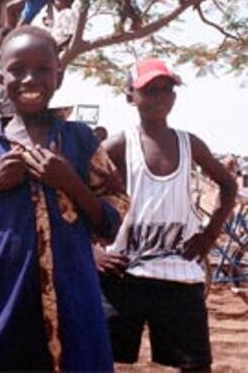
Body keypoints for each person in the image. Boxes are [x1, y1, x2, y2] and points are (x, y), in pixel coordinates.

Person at [0, 26, 129, 373]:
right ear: (1, 75)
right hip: (4, 301)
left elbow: (112, 214)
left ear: (59, 75)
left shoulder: (79, 139)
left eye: (42, 69)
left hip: (75, 301)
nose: (30, 78)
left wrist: (69, 181)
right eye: (18, 69)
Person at [96, 57, 237, 373]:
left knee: (196, 364)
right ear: (130, 95)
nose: (159, 97)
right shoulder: (119, 144)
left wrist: (209, 234)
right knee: (101, 360)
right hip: (122, 275)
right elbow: (73, 193)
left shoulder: (190, 144)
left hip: (178, 274)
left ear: (174, 97)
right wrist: (93, 252)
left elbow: (227, 185)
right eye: (149, 90)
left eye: (166, 90)